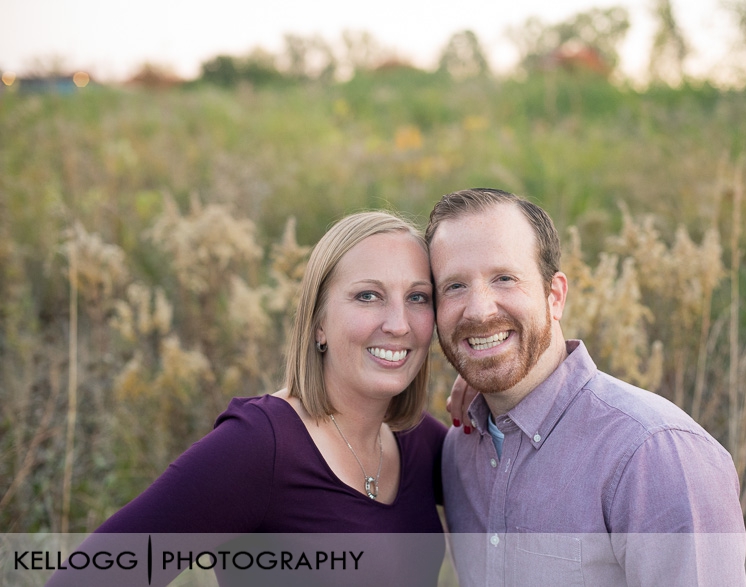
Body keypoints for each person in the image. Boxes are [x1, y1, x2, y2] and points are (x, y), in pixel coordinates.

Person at [45, 211, 447, 587]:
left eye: (417, 297)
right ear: (318, 322)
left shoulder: (418, 440)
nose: (398, 324)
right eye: (367, 296)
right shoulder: (260, 447)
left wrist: (488, 393)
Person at [428, 188, 746, 586]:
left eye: (505, 278)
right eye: (454, 287)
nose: (478, 310)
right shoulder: (460, 450)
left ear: (555, 296)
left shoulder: (655, 455)